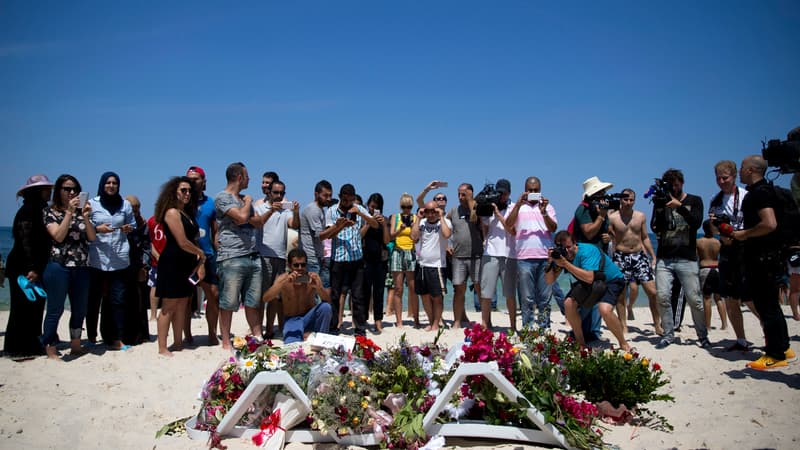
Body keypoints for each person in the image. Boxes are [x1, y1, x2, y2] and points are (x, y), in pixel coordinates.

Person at [732, 155, 795, 369]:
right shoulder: (771, 191)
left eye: (741, 167)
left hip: (762, 257)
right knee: (771, 305)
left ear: (751, 170)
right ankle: (784, 347)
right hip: (774, 255)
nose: (739, 171)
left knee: (766, 305)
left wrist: (744, 234)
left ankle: (775, 354)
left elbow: (769, 223)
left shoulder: (758, 194)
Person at [650, 168, 709, 349]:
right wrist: (661, 207)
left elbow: (696, 223)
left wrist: (679, 207)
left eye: (676, 185)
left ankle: (702, 335)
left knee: (695, 299)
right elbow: (655, 227)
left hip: (687, 257)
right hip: (664, 258)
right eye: (671, 186)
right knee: (663, 296)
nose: (674, 189)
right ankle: (668, 334)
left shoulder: (694, 200)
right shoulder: (661, 201)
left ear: (682, 183)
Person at [545, 231, 631, 351]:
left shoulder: (587, 251)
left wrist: (565, 264)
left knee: (604, 309)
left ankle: (623, 343)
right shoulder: (563, 256)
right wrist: (551, 262)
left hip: (611, 280)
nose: (567, 251)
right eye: (563, 248)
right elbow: (550, 280)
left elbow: (589, 277)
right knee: (568, 303)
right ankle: (581, 343)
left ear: (575, 243)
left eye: (569, 247)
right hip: (593, 283)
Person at [41, 175, 96, 359]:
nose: (71, 192)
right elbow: (58, 236)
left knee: (79, 309)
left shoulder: (83, 212)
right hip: (59, 266)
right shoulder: (50, 212)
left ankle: (76, 344)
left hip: (81, 266)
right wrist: (69, 213)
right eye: (67, 189)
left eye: (74, 189)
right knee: (55, 309)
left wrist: (86, 217)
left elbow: (92, 238)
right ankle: (50, 346)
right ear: (59, 191)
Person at [154, 176, 205, 356]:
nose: (187, 194)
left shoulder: (187, 214)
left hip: (186, 263)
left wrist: (198, 258)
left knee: (183, 303)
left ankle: (177, 342)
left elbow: (191, 240)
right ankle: (162, 346)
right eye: (183, 190)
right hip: (172, 263)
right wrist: (201, 253)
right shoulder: (171, 212)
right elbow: (182, 242)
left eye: (190, 191)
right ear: (174, 192)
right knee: (169, 305)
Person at [3, 175, 53, 357]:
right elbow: (26, 241)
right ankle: (17, 348)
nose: (50, 191)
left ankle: (30, 344)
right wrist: (31, 267)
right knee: (21, 308)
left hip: (32, 266)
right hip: (23, 267)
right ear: (38, 191)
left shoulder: (39, 209)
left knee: (34, 307)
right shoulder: (28, 210)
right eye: (46, 189)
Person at [215, 162, 262, 350]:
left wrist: (269, 212)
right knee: (228, 301)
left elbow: (254, 222)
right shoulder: (222, 197)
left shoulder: (242, 200)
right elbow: (241, 218)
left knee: (253, 300)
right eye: (247, 176)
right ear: (239, 177)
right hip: (232, 256)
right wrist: (248, 202)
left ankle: (257, 336)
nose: (250, 179)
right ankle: (226, 340)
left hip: (252, 255)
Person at [708, 160, 755, 351]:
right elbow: (712, 227)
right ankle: (741, 340)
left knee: (751, 298)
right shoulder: (715, 199)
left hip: (746, 249)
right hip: (727, 251)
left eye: (725, 178)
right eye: (718, 178)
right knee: (730, 298)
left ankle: (770, 336)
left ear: (734, 176)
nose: (721, 181)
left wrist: (738, 234)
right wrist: (718, 228)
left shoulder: (746, 196)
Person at [87, 172, 137, 350]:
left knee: (118, 300)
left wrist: (128, 228)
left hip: (119, 258)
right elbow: (84, 226)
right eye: (108, 182)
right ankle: (91, 336)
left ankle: (117, 338)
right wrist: (97, 228)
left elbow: (134, 225)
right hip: (97, 259)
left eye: (114, 183)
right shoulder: (92, 204)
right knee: (94, 299)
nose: (111, 185)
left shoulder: (125, 205)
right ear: (102, 184)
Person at [320, 183, 378, 336]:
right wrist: (340, 225)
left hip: (356, 258)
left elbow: (375, 224)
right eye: (345, 201)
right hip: (338, 258)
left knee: (358, 295)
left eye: (351, 200)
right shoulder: (332, 211)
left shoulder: (358, 208)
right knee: (335, 295)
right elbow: (328, 235)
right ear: (340, 197)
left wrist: (361, 214)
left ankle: (359, 329)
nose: (348, 204)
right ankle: (333, 327)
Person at [608, 188, 662, 335]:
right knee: (621, 294)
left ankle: (657, 324)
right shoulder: (613, 218)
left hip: (639, 255)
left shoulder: (640, 216)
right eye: (625, 199)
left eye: (631, 199)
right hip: (620, 256)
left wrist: (653, 255)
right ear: (620, 200)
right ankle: (623, 325)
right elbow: (608, 237)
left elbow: (644, 237)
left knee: (652, 292)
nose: (628, 202)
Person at [506, 176, 557, 329]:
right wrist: (518, 205)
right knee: (527, 298)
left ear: (540, 190)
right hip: (524, 258)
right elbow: (508, 225)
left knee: (545, 297)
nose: (533, 193)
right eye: (530, 190)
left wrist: (544, 212)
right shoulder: (517, 207)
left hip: (545, 258)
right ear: (525, 190)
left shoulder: (548, 207)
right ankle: (528, 328)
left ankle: (544, 328)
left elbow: (553, 228)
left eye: (536, 190)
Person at [253, 179, 300, 339]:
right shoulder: (259, 207)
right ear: (269, 192)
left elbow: (294, 224)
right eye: (276, 192)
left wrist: (295, 211)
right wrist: (271, 211)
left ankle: (269, 329)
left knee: (274, 296)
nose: (279, 196)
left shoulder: (286, 211)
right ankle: (257, 329)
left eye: (282, 193)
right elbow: (257, 224)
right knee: (261, 296)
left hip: (280, 256)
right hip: (263, 255)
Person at [571, 176, 615, 340]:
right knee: (584, 296)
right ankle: (580, 332)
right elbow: (588, 231)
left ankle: (593, 332)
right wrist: (601, 217)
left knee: (598, 294)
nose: (604, 197)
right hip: (585, 259)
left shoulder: (601, 212)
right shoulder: (582, 210)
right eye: (601, 194)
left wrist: (608, 238)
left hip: (600, 257)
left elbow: (608, 231)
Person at [261, 248, 332, 344]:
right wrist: (282, 284)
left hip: (309, 317)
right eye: (296, 265)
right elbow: (266, 298)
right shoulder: (283, 279)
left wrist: (319, 288)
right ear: (289, 266)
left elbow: (328, 301)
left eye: (303, 265)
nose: (300, 268)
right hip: (292, 320)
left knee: (325, 307)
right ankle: (308, 334)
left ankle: (321, 339)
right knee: (292, 344)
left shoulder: (313, 278)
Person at [186, 166, 220, 345]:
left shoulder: (210, 203)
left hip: (207, 255)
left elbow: (215, 230)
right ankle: (186, 334)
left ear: (203, 181)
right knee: (186, 297)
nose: (192, 181)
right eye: (189, 178)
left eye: (196, 178)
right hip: (187, 257)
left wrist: (218, 251)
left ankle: (212, 334)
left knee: (213, 294)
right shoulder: (181, 202)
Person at [478, 178, 517, 330]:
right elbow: (485, 226)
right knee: (486, 292)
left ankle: (513, 326)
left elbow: (512, 230)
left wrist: (498, 214)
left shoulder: (514, 207)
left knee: (509, 293)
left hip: (509, 254)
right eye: (499, 193)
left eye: (504, 193)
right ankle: (484, 325)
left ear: (509, 193)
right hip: (491, 252)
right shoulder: (490, 205)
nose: (501, 196)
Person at [411, 201, 452, 331]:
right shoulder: (421, 223)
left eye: (433, 211)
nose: (431, 214)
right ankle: (430, 321)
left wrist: (441, 217)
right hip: (422, 264)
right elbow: (413, 237)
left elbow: (447, 235)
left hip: (437, 266)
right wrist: (418, 218)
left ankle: (436, 323)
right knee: (424, 295)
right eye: (428, 211)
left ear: (438, 210)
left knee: (437, 297)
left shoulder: (444, 222)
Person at [447, 183, 482, 328]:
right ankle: (457, 321)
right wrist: (447, 245)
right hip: (459, 257)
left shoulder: (478, 208)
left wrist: (470, 201)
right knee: (459, 289)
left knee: (480, 288)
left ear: (471, 193)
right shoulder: (454, 211)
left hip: (477, 256)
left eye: (464, 194)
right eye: (459, 194)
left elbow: (475, 219)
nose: (460, 197)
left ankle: (487, 321)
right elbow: (444, 229)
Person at [387, 193, 419, 328]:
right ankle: (399, 320)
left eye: (409, 207)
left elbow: (415, 238)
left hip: (410, 252)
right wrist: (400, 229)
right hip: (397, 252)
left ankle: (416, 319)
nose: (407, 209)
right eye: (404, 206)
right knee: (398, 289)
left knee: (413, 289)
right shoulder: (396, 217)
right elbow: (390, 235)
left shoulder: (416, 218)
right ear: (401, 206)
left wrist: (412, 227)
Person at [123, 195, 151, 345]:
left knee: (139, 302)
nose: (134, 211)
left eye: (137, 208)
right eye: (131, 208)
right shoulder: (120, 221)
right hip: (121, 266)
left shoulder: (143, 225)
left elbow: (146, 247)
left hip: (137, 265)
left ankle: (141, 335)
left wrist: (144, 266)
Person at [361, 193, 389, 332]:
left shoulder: (385, 220)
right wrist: (368, 222)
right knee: (365, 290)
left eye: (376, 208)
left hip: (380, 260)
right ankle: (364, 318)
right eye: (372, 207)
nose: (373, 210)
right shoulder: (363, 218)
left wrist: (383, 225)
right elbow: (359, 236)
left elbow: (387, 241)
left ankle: (378, 320)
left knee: (379, 291)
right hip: (365, 259)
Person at [299, 180, 333, 278]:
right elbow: (320, 235)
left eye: (330, 195)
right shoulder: (313, 210)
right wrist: (337, 226)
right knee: (311, 290)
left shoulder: (320, 210)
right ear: (316, 194)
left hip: (316, 256)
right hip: (310, 258)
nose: (329, 198)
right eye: (325, 195)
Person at [697, 219, 727, 330]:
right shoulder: (718, 242)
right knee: (719, 298)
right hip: (717, 268)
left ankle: (708, 325)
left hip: (705, 269)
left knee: (707, 298)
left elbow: (695, 257)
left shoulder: (699, 242)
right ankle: (724, 324)